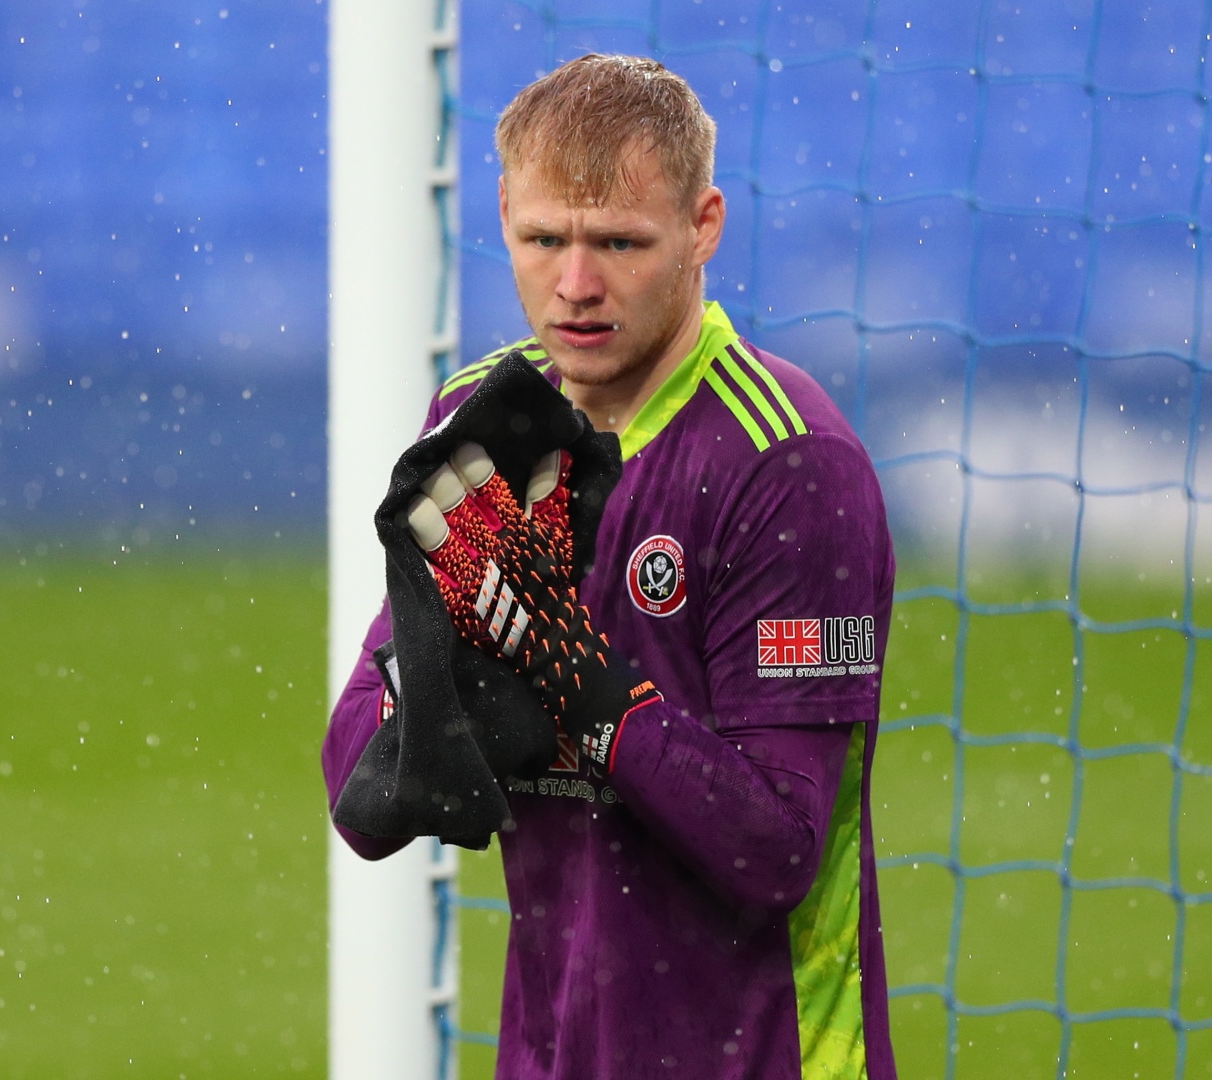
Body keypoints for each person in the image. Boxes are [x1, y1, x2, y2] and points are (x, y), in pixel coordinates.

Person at [323, 53, 897, 1080]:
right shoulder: (478, 430)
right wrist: (439, 653)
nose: (575, 285)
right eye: (544, 239)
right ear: (501, 211)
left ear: (703, 226)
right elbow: (361, 795)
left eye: (619, 243)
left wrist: (570, 678)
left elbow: (776, 847)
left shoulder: (794, 463)